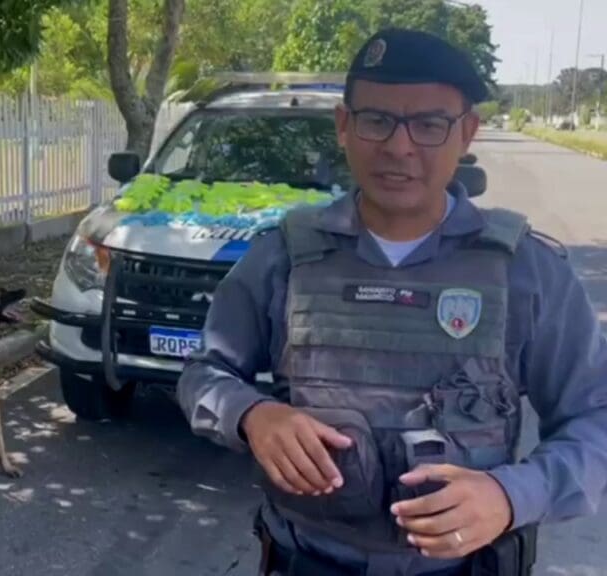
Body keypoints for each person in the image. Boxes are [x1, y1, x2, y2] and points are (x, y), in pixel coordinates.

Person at [177, 28, 607, 576]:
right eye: (377, 120)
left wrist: (512, 493)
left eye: (429, 125)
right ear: (343, 126)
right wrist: (253, 415)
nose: (399, 147)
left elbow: (594, 417)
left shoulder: (526, 272)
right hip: (303, 562)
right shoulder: (283, 257)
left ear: (467, 132)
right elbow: (203, 373)